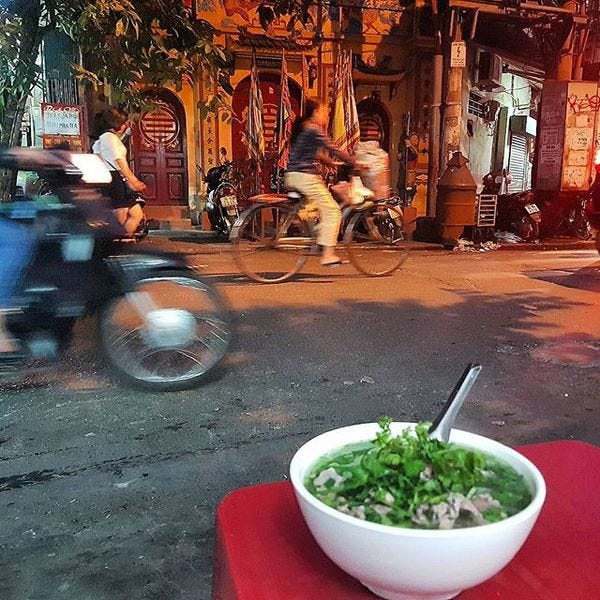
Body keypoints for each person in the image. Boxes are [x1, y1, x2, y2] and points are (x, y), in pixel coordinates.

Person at [284, 98, 355, 266]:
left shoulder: (303, 127)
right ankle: (328, 255)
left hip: (294, 176)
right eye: (325, 111)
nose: (328, 115)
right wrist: (354, 162)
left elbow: (314, 152)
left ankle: (318, 240)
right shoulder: (314, 129)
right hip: (305, 178)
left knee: (318, 209)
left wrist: (329, 162)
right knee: (333, 211)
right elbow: (333, 148)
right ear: (316, 111)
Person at [91, 108, 146, 235]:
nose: (125, 125)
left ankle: (122, 241)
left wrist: (126, 134)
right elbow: (119, 161)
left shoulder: (105, 138)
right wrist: (133, 180)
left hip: (111, 178)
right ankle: (114, 243)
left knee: (136, 214)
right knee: (120, 216)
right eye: (123, 123)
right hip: (115, 178)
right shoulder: (109, 138)